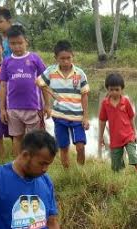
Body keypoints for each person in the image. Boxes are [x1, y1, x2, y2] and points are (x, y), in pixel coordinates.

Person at [38, 40, 89, 169]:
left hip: (77, 117)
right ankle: (67, 172)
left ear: (73, 56)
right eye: (62, 59)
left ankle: (80, 171)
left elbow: (84, 95)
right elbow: (39, 83)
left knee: (80, 146)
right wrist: (48, 103)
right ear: (56, 58)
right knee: (63, 147)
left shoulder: (80, 73)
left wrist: (86, 116)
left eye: (68, 58)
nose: (66, 61)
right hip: (59, 116)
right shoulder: (51, 71)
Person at [0, 25, 45, 154]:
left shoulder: (35, 59)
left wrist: (46, 106)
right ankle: (17, 166)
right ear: (8, 44)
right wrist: (2, 109)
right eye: (13, 44)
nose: (17, 47)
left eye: (20, 43)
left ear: (26, 42)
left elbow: (44, 83)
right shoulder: (7, 62)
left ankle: (32, 165)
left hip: (33, 107)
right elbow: (3, 85)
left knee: (33, 139)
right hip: (13, 109)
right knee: (17, 138)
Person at [97, 72, 137, 178]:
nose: (114, 92)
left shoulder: (125, 102)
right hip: (115, 139)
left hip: (128, 136)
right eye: (111, 89)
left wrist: (135, 133)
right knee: (116, 166)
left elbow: (131, 118)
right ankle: (120, 181)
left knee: (133, 156)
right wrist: (101, 138)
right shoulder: (105, 104)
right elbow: (102, 121)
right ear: (107, 89)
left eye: (117, 89)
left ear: (122, 89)